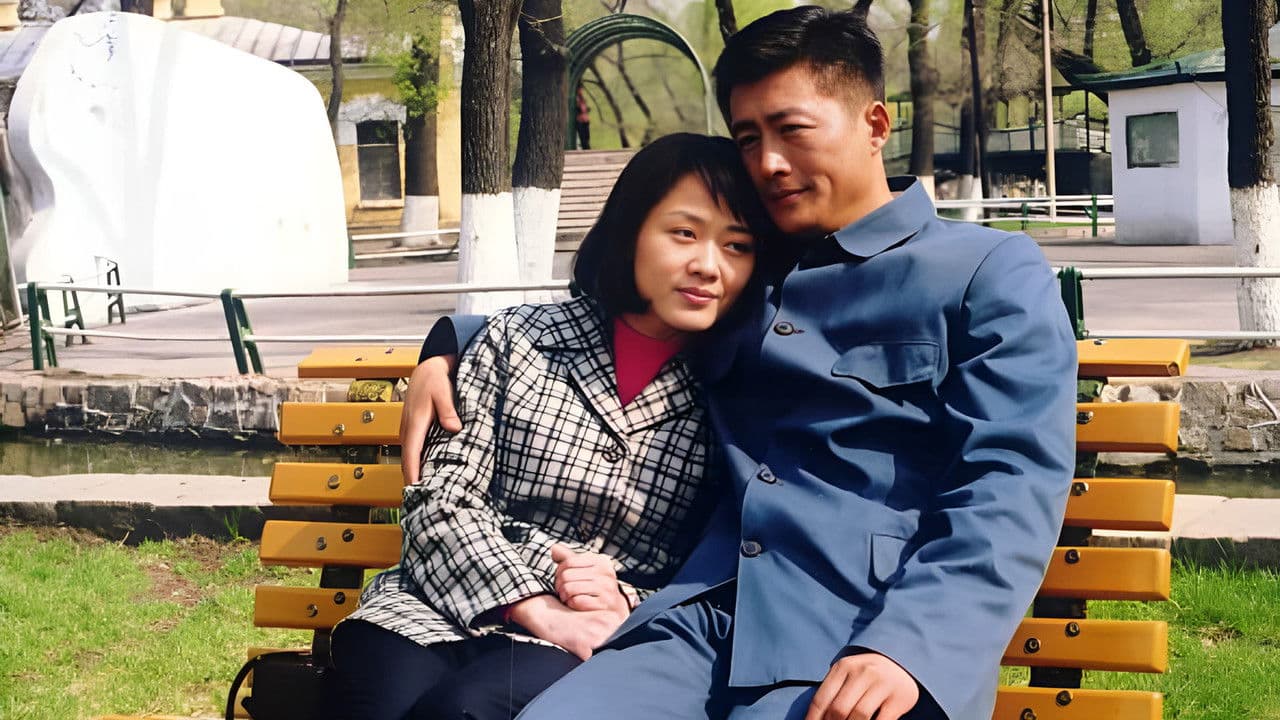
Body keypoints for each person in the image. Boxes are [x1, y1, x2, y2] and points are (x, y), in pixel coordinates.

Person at [401, 6, 1078, 720]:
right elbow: (614, 316)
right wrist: (451, 344)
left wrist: (910, 646)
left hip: (863, 638)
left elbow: (1009, 483)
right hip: (699, 623)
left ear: (875, 125)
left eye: (792, 130)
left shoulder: (985, 272)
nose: (768, 163)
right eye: (749, 138)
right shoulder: (749, 268)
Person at [325, 133, 775, 720]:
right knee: (381, 703)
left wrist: (625, 598)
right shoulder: (520, 339)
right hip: (431, 602)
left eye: (737, 246)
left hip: (593, 631)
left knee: (465, 709)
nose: (708, 267)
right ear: (631, 230)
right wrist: (533, 603)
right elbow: (442, 498)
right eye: (684, 233)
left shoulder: (734, 392)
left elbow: (716, 563)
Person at [575, 85, 591, 150]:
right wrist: (583, 109)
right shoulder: (576, 98)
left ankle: (587, 148)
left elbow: (584, 108)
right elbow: (580, 109)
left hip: (585, 120)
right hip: (580, 120)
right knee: (583, 137)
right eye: (580, 89)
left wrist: (587, 109)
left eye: (582, 89)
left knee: (587, 136)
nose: (581, 91)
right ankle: (586, 149)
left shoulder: (583, 98)